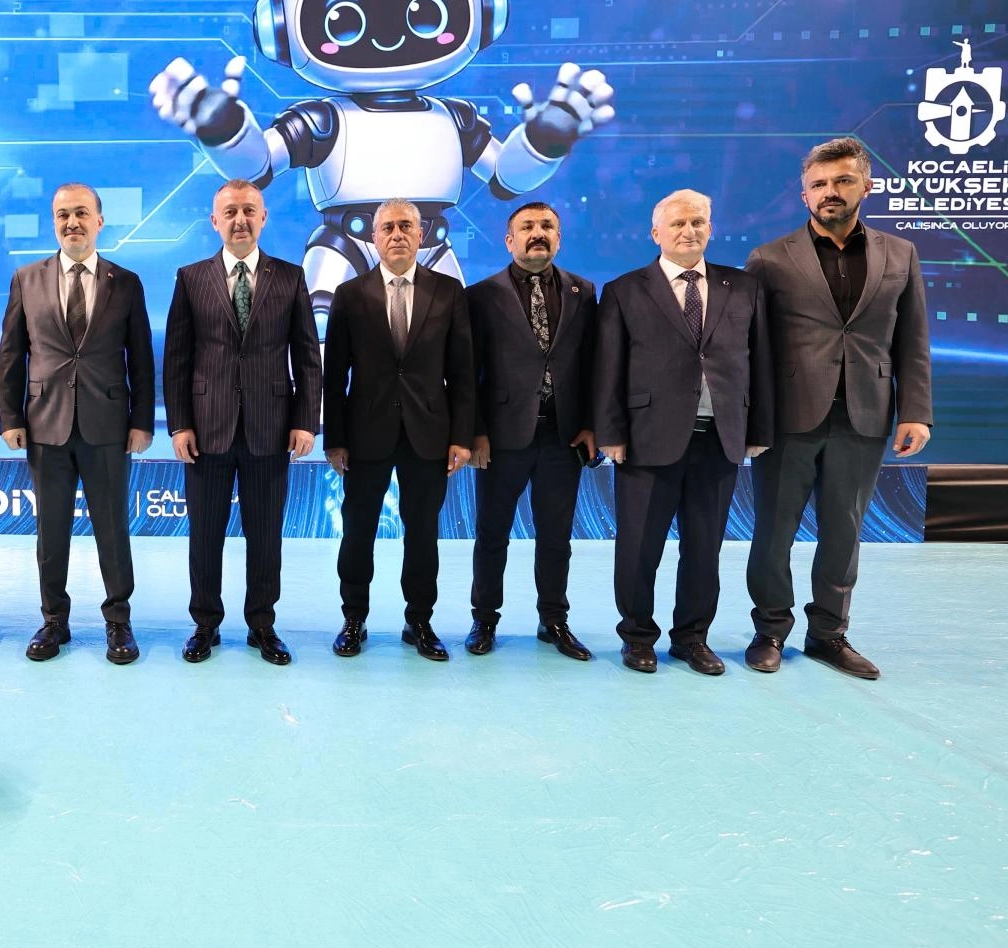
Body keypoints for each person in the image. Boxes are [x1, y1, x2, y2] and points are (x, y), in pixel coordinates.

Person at [743, 138, 932, 680]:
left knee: (844, 532)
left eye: (843, 181)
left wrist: (916, 411)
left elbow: (913, 339)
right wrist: (752, 419)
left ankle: (828, 634)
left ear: (866, 187)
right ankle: (770, 630)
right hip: (788, 419)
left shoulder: (901, 255)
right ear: (804, 195)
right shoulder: (769, 258)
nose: (831, 191)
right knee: (773, 532)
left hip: (866, 414)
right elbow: (752, 348)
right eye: (819, 184)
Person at [594, 189, 773, 676]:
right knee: (639, 548)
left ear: (710, 228)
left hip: (720, 438)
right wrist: (610, 432)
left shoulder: (744, 287)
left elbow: (761, 362)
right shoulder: (624, 290)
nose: (688, 231)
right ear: (656, 233)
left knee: (703, 549)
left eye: (697, 222)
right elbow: (607, 368)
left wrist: (758, 427)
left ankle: (692, 638)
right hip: (646, 439)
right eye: (677, 224)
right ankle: (637, 636)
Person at [164, 179, 321, 665]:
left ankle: (262, 625)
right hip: (206, 429)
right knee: (204, 536)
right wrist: (179, 425)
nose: (240, 220)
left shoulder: (290, 277)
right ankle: (205, 624)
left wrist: (306, 421)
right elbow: (177, 359)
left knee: (266, 536)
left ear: (263, 217)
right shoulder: (191, 278)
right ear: (215, 221)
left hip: (270, 428)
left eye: (249, 210)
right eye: (230, 211)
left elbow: (307, 357)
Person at [0, 183, 155, 663]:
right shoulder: (27, 278)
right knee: (51, 530)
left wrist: (142, 421)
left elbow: (141, 360)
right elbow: (12, 354)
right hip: (45, 424)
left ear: (99, 221)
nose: (72, 222)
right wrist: (10, 416)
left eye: (82, 213)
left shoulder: (125, 282)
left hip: (108, 425)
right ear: (54, 222)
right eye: (63, 214)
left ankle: (118, 620)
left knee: (113, 528)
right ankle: (54, 620)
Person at [323, 198, 475, 661]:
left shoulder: (449, 292)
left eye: (406, 226)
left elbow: (463, 373)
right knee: (358, 531)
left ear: (421, 233)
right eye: (387, 227)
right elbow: (335, 375)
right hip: (365, 433)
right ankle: (354, 618)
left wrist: (462, 436)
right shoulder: (349, 294)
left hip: (430, 433)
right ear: (374, 237)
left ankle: (420, 621)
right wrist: (335, 439)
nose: (397, 234)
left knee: (423, 533)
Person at [464, 201, 597, 661]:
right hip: (501, 438)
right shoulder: (481, 296)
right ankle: (484, 619)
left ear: (558, 237)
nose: (537, 232)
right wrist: (476, 432)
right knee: (492, 534)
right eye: (527, 227)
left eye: (547, 226)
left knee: (556, 537)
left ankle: (554, 620)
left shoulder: (584, 291)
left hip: (563, 436)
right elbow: (468, 372)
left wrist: (590, 425)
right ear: (510, 240)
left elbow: (594, 365)